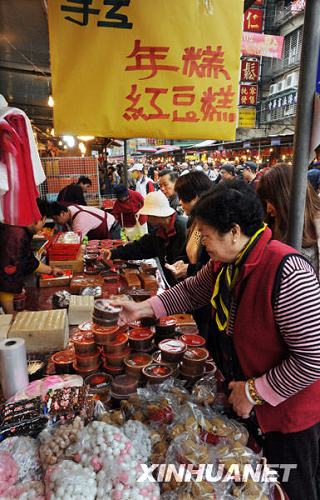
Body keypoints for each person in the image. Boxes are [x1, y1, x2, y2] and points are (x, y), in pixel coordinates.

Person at [116, 181, 320, 500]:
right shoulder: (227, 264)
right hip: (249, 402)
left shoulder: (287, 271)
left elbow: (312, 359)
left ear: (234, 231)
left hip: (288, 415)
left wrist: (255, 391)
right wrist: (140, 309)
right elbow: (190, 290)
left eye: (206, 234)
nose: (201, 242)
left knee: (290, 486)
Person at [103, 191, 187, 285]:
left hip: (185, 284)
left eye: (148, 215)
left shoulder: (184, 228)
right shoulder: (159, 231)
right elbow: (140, 247)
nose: (147, 218)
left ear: (157, 214)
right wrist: (114, 253)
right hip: (172, 282)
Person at [0, 200, 63, 313]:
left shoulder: (19, 229)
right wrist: (11, 314)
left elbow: (29, 261)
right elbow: (8, 278)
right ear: (39, 218)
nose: (42, 225)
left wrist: (51, 270)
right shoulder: (15, 235)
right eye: (44, 220)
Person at [257, 163, 320, 276]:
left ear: (285, 196)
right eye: (265, 202)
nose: (268, 209)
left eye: (270, 200)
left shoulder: (316, 225)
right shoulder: (271, 226)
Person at [48, 202, 121, 240]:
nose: (55, 222)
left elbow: (75, 242)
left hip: (111, 229)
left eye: (55, 219)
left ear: (62, 213)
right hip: (99, 233)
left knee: (113, 256)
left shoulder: (80, 220)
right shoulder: (70, 209)